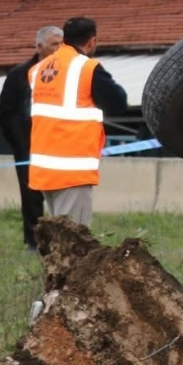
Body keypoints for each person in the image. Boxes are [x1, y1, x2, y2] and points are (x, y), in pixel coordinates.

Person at [28, 17, 128, 227]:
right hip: (72, 170)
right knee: (75, 244)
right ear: (91, 41)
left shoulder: (38, 69)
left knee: (59, 239)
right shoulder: (87, 68)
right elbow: (118, 102)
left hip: (44, 169)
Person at [0, 26, 63, 252]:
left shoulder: (66, 73)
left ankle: (60, 241)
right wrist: (20, 144)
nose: (59, 48)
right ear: (39, 46)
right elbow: (6, 113)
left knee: (60, 195)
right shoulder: (19, 74)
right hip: (28, 146)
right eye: (54, 43)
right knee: (31, 195)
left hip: (57, 145)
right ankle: (33, 241)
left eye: (61, 43)